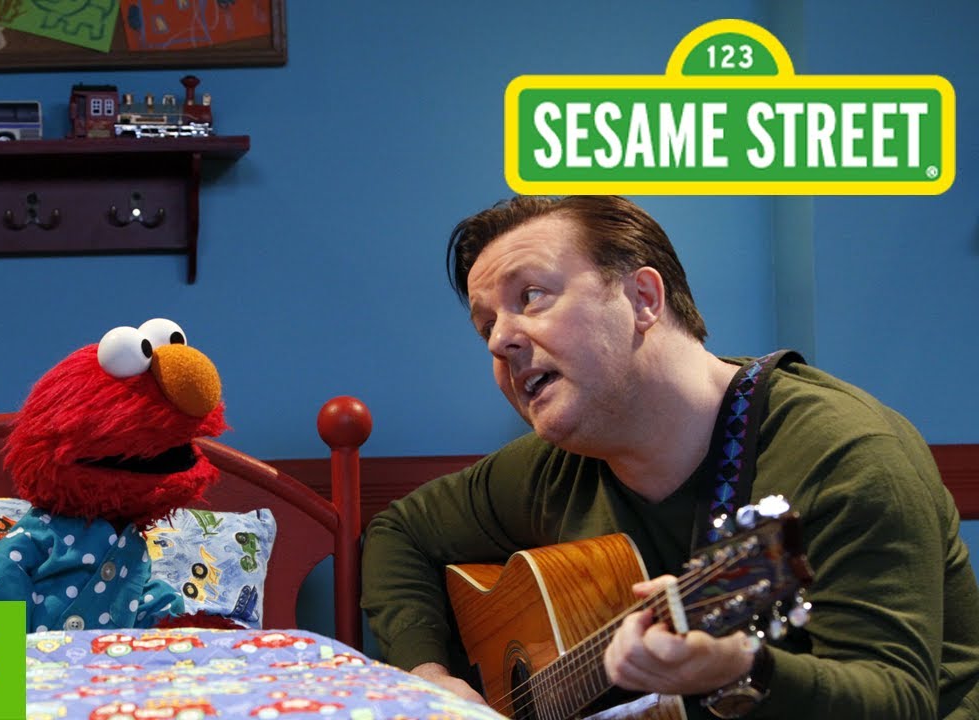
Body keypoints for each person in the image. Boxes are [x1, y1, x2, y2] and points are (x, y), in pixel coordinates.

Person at [360, 195, 979, 719]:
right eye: (485, 326)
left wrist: (742, 669)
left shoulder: (844, 454)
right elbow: (399, 533)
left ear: (643, 299)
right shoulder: (553, 467)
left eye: (532, 295)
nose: (500, 339)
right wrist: (430, 680)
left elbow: (899, 701)